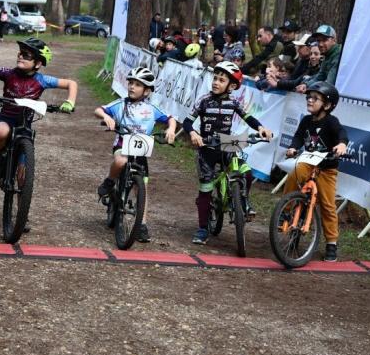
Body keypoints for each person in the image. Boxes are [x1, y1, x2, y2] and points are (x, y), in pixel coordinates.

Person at [182, 62, 272, 245]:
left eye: (221, 80)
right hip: (207, 146)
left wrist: (261, 128)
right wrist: (193, 133)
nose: (216, 82)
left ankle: (243, 203)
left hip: (227, 142)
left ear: (232, 86)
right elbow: (187, 122)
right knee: (206, 189)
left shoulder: (234, 102)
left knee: (246, 172)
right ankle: (202, 229)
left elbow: (248, 118)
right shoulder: (204, 100)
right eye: (215, 78)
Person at [0, 38, 77, 184]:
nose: (21, 57)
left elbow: (71, 83)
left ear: (38, 63)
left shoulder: (42, 80)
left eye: (26, 55)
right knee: (1, 131)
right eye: (20, 54)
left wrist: (69, 102)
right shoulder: (9, 73)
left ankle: (21, 205)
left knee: (23, 175)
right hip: (7, 118)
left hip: (24, 125)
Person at [95, 67, 177, 242]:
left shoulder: (151, 108)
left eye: (137, 85)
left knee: (142, 189)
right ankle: (110, 181)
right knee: (120, 160)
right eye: (130, 83)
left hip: (141, 152)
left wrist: (171, 129)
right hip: (122, 145)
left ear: (146, 90)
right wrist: (107, 117)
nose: (132, 87)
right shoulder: (120, 104)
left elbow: (170, 118)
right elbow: (99, 110)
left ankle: (142, 224)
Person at [283, 82, 348, 262]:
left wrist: (342, 144)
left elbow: (342, 134)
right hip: (308, 163)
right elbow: (297, 137)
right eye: (309, 97)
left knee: (328, 205)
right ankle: (286, 210)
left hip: (326, 168)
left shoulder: (331, 122)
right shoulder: (306, 120)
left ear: (327, 105)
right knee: (294, 173)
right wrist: (293, 148)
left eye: (315, 98)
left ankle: (331, 243)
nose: (310, 100)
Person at [296, 24, 342, 91]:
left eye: (324, 40)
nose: (320, 44)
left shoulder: (338, 56)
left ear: (334, 40)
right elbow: (320, 76)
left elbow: (329, 84)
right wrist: (305, 85)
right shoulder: (327, 54)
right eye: (318, 41)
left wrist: (308, 88)